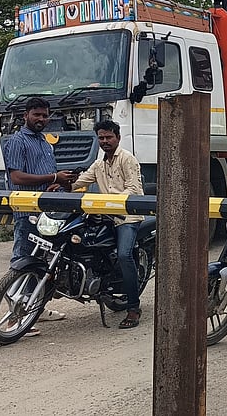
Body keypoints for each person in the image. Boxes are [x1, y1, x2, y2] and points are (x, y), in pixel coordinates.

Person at [1, 97, 76, 330]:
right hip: (27, 212)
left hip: (48, 213)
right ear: (26, 116)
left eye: (45, 115)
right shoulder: (17, 141)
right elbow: (17, 177)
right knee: (22, 261)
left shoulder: (45, 142)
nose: (41, 119)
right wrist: (54, 178)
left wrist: (56, 185)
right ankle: (16, 316)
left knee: (43, 263)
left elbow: (46, 176)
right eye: (37, 115)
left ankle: (35, 309)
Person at [68, 120, 146, 329]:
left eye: (108, 137)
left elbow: (134, 189)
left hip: (126, 217)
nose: (104, 141)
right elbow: (81, 181)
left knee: (124, 256)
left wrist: (112, 202)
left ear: (117, 137)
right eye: (101, 138)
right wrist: (62, 184)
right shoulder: (99, 163)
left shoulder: (127, 159)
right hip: (105, 216)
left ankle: (133, 308)